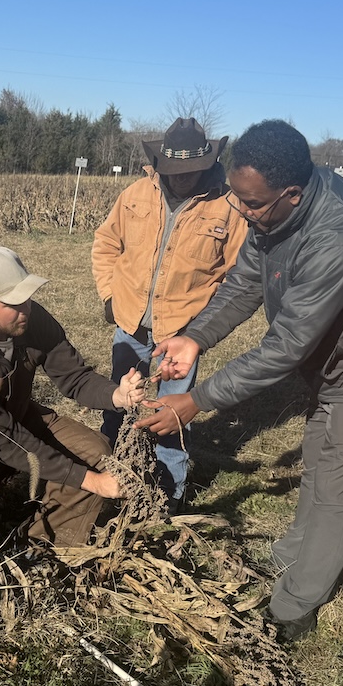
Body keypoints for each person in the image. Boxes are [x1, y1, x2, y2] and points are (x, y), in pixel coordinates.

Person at [135, 119, 343, 640]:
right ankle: (292, 560)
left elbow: (286, 346)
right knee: (321, 459)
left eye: (252, 205)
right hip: (333, 361)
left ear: (292, 194)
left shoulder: (338, 237)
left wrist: (199, 399)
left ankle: (294, 609)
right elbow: (248, 279)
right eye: (237, 199)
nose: (244, 214)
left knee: (342, 487)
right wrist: (196, 337)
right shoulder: (270, 211)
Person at [0, 246, 146, 548]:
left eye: (26, 298)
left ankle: (46, 548)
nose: (25, 308)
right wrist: (93, 482)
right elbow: (7, 441)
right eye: (13, 303)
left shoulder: (29, 318)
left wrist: (117, 394)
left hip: (17, 413)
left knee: (95, 451)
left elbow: (74, 377)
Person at [91, 118, 248, 511]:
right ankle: (107, 482)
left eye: (189, 171)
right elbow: (106, 243)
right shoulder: (135, 195)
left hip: (181, 334)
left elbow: (239, 279)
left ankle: (165, 498)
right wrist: (110, 296)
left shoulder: (228, 209)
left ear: (207, 163)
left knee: (173, 416)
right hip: (129, 323)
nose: (180, 179)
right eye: (173, 171)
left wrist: (200, 332)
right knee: (119, 403)